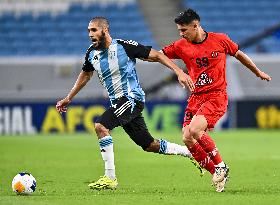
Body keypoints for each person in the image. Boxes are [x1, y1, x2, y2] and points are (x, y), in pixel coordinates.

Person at [55, 17, 203, 190]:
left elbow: (156, 55)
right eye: (89, 31)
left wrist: (179, 71)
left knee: (101, 126)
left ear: (105, 30)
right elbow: (86, 75)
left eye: (94, 30)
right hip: (119, 103)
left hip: (132, 98)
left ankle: (110, 178)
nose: (90, 34)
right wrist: (69, 98)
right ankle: (190, 152)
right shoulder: (91, 53)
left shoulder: (124, 46)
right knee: (149, 145)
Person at [161, 9, 271, 192]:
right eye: (179, 30)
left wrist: (257, 72)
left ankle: (221, 166)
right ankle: (217, 174)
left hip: (216, 96)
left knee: (195, 129)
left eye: (184, 30)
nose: (181, 34)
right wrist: (178, 71)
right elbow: (158, 55)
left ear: (195, 26)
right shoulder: (181, 45)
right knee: (187, 138)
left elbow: (239, 54)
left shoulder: (220, 40)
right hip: (196, 97)